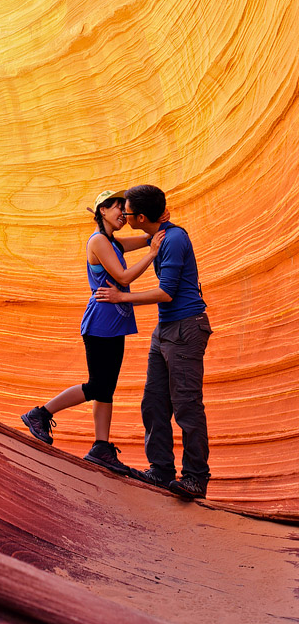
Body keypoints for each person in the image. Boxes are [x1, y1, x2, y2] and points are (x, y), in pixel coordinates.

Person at [21, 189, 164, 475]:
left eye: (124, 209)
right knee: (98, 385)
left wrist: (159, 221)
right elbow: (123, 277)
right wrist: (152, 255)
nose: (122, 214)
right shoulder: (99, 241)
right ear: (102, 211)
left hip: (114, 322)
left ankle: (101, 446)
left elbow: (149, 237)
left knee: (106, 388)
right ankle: (41, 413)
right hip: (100, 322)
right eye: (116, 208)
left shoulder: (112, 242)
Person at [95, 184, 212, 500]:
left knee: (186, 404)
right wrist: (103, 223)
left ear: (142, 216)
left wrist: (123, 297)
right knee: (154, 401)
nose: (124, 213)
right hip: (166, 329)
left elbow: (167, 292)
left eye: (128, 211)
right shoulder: (160, 235)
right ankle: (161, 470)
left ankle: (196, 477)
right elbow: (116, 243)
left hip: (186, 328)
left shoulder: (173, 239)